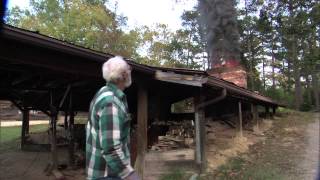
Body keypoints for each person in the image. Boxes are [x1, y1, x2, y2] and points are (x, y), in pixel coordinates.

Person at [86, 56, 140, 180]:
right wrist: (130, 175)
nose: (130, 72)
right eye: (129, 69)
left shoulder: (103, 92)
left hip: (101, 172)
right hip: (107, 174)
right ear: (124, 74)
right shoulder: (111, 102)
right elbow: (111, 149)